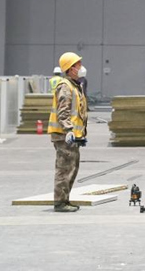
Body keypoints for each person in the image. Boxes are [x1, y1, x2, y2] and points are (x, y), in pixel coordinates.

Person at [48, 52, 88, 213]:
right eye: (77, 65)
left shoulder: (75, 85)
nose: (81, 67)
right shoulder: (65, 86)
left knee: (72, 168)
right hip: (65, 135)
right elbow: (63, 112)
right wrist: (68, 130)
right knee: (64, 169)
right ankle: (60, 202)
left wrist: (80, 134)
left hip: (72, 136)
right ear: (70, 69)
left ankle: (65, 199)